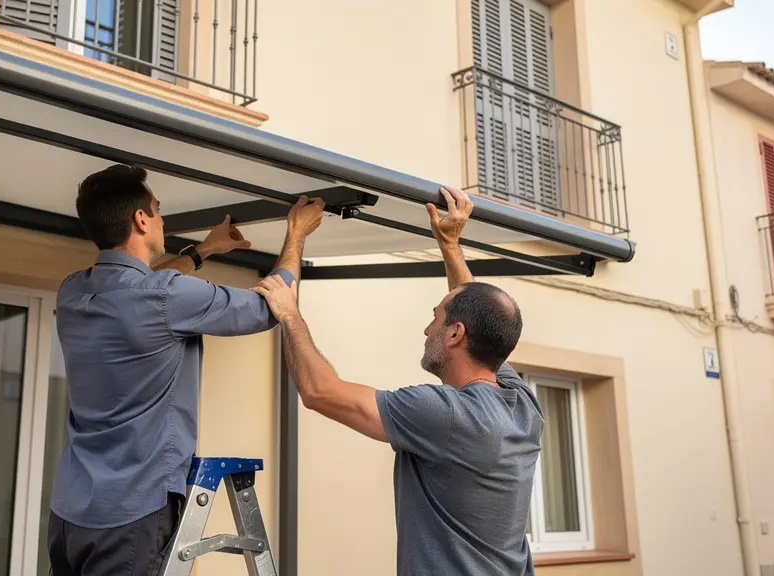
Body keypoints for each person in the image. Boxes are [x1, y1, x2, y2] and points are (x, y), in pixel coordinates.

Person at [48, 163, 325, 576]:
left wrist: (204, 251)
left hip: (70, 511)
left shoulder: (74, 290)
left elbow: (141, 287)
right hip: (132, 513)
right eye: (157, 211)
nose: (161, 219)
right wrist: (296, 235)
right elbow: (271, 307)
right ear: (141, 219)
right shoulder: (163, 297)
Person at [252, 187, 543, 576]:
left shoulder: (449, 417)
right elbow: (480, 313)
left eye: (435, 319)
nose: (426, 330)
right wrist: (450, 246)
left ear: (455, 335)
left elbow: (320, 392)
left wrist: (289, 314)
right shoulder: (521, 403)